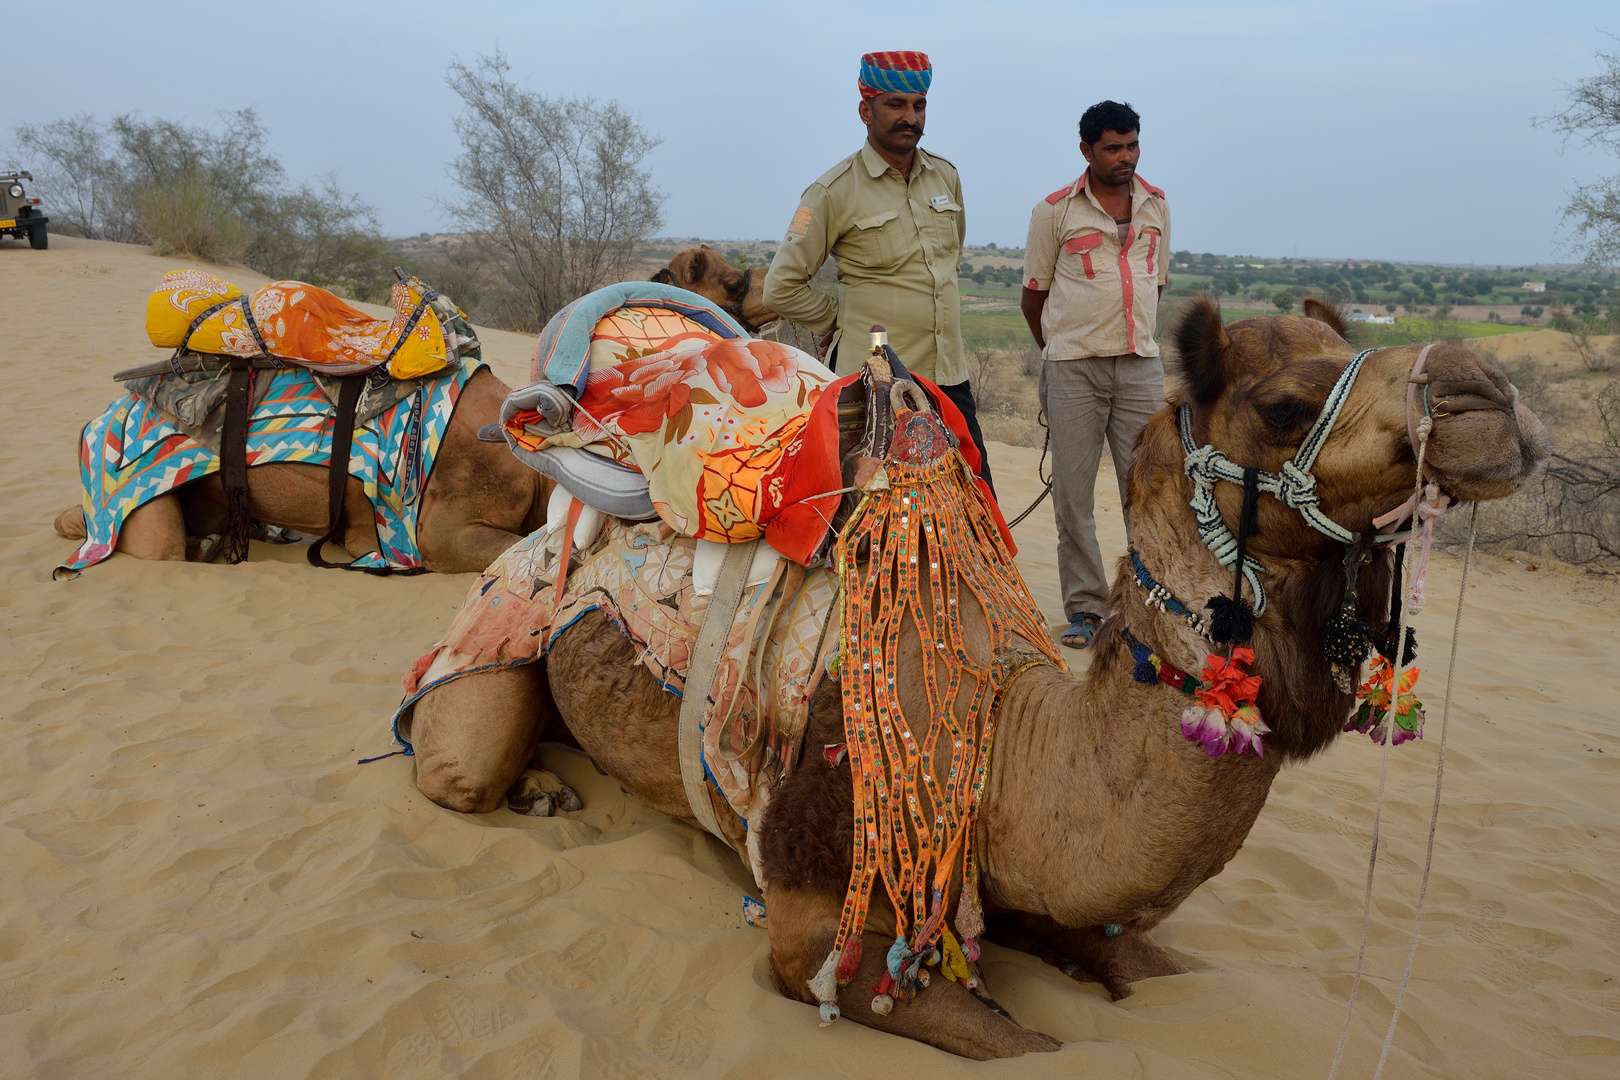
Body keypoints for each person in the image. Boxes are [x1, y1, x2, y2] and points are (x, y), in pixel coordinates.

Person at [764, 49, 992, 489]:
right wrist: (842, 320)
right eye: (896, 105)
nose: (911, 117)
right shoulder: (832, 191)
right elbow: (782, 288)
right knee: (876, 522)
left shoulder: (946, 177)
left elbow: (948, 262)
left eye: (919, 105)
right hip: (875, 388)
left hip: (948, 380)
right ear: (865, 111)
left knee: (978, 508)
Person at [1020, 100, 1170, 648]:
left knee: (1150, 492)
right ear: (1086, 150)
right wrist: (1060, 350)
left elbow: (1156, 286)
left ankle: (1146, 609)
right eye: (1112, 147)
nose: (1125, 157)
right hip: (1073, 372)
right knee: (1073, 498)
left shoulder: (1157, 206)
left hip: (1140, 370)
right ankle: (1085, 609)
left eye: (1132, 145)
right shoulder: (1054, 212)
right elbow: (1033, 299)